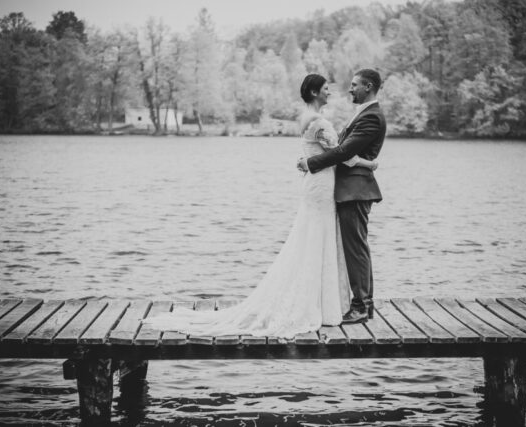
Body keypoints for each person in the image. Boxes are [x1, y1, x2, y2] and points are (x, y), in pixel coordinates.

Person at [141, 74, 378, 338]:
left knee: (313, 239)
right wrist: (369, 163)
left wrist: (311, 162)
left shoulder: (309, 118)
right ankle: (322, 302)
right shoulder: (318, 122)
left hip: (317, 184)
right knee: (317, 239)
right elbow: (342, 155)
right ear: (314, 92)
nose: (330, 92)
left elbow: (331, 152)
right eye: (325, 88)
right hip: (321, 186)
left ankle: (322, 300)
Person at [297, 68, 386, 324]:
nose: (350, 88)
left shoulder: (371, 117)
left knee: (356, 249)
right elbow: (343, 150)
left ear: (368, 87)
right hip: (346, 188)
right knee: (355, 247)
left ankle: (361, 306)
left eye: (355, 85)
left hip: (355, 189)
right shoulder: (362, 113)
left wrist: (310, 163)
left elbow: (344, 152)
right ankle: (363, 304)